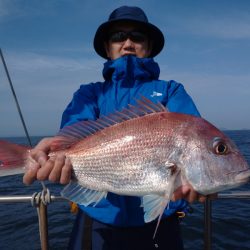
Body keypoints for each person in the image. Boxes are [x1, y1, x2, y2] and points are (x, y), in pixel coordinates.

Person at [23, 6, 206, 250]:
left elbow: (196, 140)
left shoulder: (171, 91)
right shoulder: (90, 94)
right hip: (97, 220)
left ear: (148, 46)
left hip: (161, 219)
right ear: (108, 48)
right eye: (118, 37)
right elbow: (73, 131)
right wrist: (57, 152)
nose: (128, 43)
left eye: (137, 37)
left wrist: (204, 178)